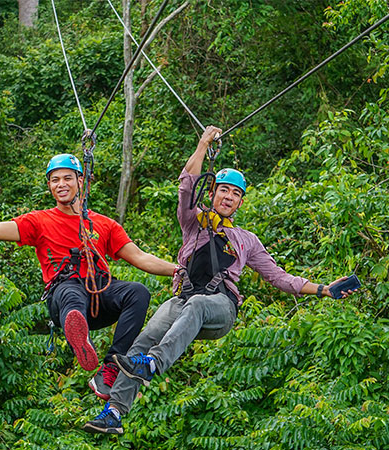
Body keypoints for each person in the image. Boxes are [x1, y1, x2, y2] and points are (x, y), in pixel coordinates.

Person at [82, 126, 358, 435]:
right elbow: (187, 185)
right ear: (213, 193)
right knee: (143, 340)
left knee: (196, 307)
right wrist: (202, 145)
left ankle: (153, 364)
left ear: (240, 203)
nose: (229, 197)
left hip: (220, 307)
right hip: (183, 300)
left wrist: (324, 289)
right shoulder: (193, 222)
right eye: (224, 190)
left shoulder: (246, 240)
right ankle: (115, 412)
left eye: (236, 194)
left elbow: (281, 278)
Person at [0, 152, 177, 400]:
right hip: (64, 296)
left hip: (99, 297)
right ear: (49, 186)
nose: (61, 184)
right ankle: (77, 332)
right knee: (71, 291)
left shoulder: (104, 225)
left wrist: (178, 270)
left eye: (67, 178)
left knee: (137, 292)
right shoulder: (39, 221)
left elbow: (140, 258)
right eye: (54, 180)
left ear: (81, 181)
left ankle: (110, 366)